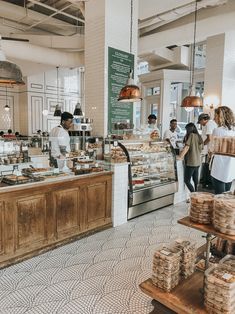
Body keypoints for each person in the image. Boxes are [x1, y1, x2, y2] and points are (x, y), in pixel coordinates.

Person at [210, 106, 235, 194]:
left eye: (215, 116)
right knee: (226, 196)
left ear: (221, 117)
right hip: (231, 168)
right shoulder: (233, 131)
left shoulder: (217, 131)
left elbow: (211, 149)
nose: (213, 119)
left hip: (219, 167)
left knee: (219, 197)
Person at [178, 123, 203, 192]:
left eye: (186, 130)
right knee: (195, 180)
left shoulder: (191, 135)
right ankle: (196, 194)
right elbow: (201, 149)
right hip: (197, 162)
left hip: (191, 162)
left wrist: (180, 157)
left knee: (186, 180)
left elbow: (186, 147)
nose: (186, 131)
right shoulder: (199, 136)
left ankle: (194, 194)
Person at [197, 113, 217, 188]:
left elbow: (209, 138)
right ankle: (207, 183)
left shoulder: (209, 124)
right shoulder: (212, 123)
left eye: (200, 122)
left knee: (207, 166)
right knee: (208, 166)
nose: (201, 124)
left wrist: (202, 145)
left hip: (210, 149)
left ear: (203, 120)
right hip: (211, 149)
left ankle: (208, 184)